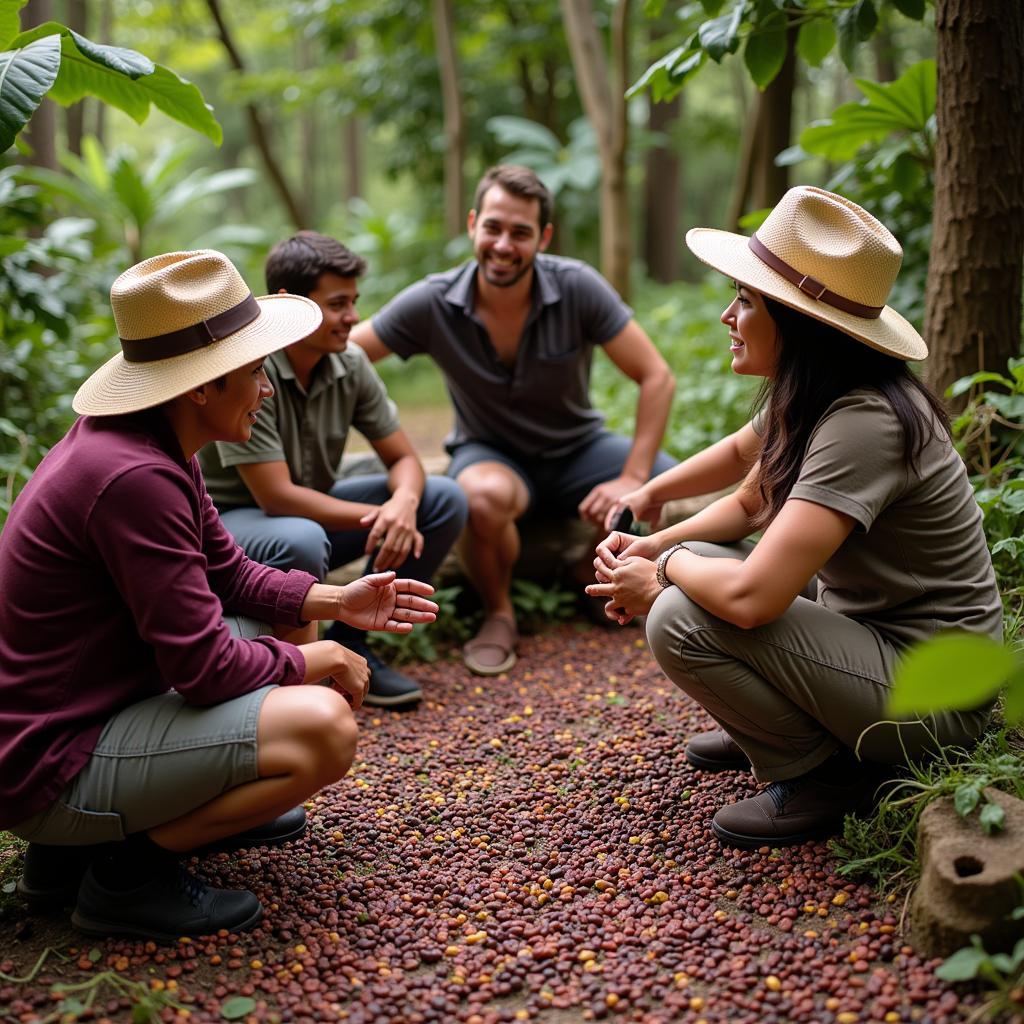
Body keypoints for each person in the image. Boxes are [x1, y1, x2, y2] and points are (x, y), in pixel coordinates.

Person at [0, 250, 438, 941]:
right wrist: (317, 661)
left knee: (265, 630)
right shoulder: (133, 478)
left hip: (80, 716)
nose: (266, 388)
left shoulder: (152, 443)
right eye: (256, 369)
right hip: (53, 761)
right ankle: (125, 875)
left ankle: (69, 857)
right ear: (202, 385)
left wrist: (337, 603)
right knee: (323, 729)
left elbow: (230, 576)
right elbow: (202, 671)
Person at [587, 186, 1002, 848]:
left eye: (745, 301)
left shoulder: (866, 421)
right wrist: (652, 518)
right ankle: (788, 719)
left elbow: (754, 600)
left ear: (796, 320)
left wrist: (662, 567)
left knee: (681, 612)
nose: (728, 314)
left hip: (936, 695)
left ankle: (824, 776)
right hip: (876, 640)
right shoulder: (818, 392)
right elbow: (748, 489)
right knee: (712, 572)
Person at [351, 164, 676, 676]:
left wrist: (632, 477)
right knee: (481, 496)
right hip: (490, 454)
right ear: (473, 224)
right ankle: (499, 613)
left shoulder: (577, 287)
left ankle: (582, 571)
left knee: (665, 478)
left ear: (543, 237)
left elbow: (656, 375)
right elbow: (345, 354)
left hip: (578, 451)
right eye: (494, 228)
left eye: (520, 232)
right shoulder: (433, 301)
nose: (504, 245)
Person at [199, 233, 467, 709]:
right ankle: (300, 687)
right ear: (290, 303)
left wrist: (403, 505)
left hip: (309, 512)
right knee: (300, 536)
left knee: (440, 499)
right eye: (339, 303)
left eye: (354, 302)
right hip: (234, 524)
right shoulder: (252, 370)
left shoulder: (350, 362)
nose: (354, 318)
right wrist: (380, 518)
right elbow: (277, 498)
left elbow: (404, 459)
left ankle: (353, 646)